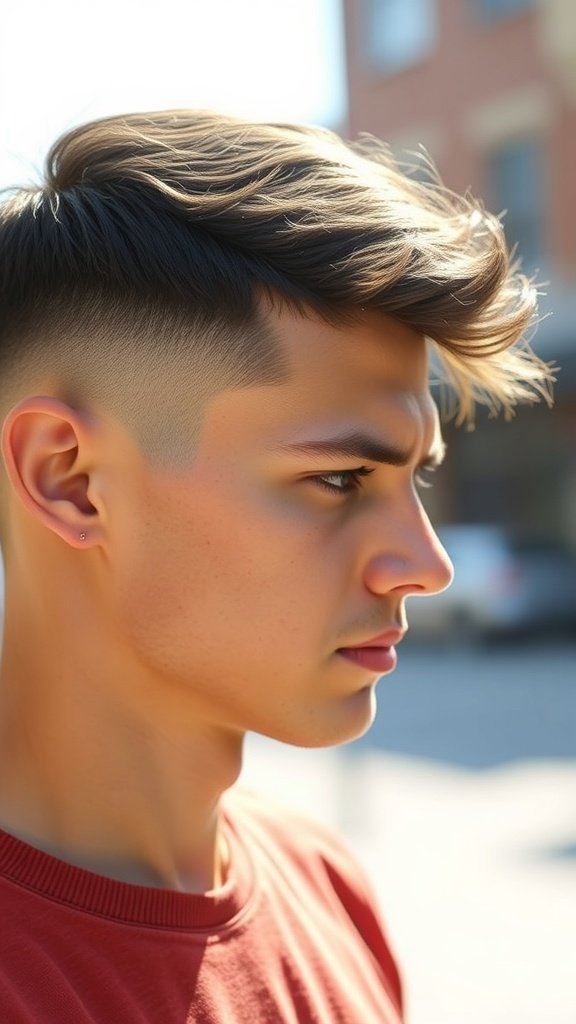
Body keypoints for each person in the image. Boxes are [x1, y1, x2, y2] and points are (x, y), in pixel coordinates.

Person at [0, 110, 551, 1023]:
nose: (428, 566)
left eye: (414, 480)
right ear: (72, 479)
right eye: (339, 480)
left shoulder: (328, 886)